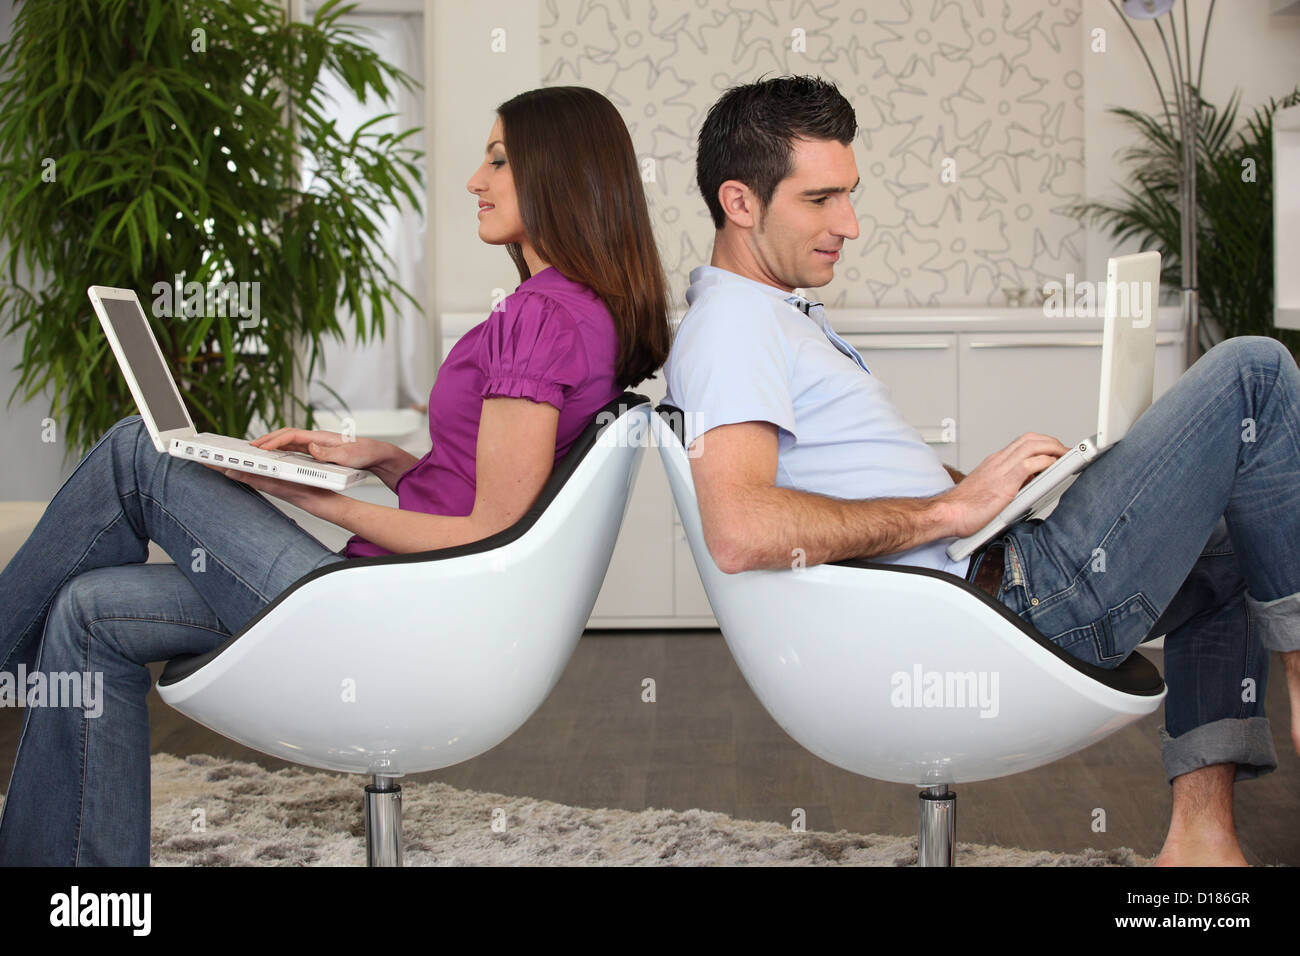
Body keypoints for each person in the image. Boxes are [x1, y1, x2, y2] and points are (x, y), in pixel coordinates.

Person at [0, 85, 671, 866]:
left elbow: (487, 531)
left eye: (498, 160)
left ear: (564, 173)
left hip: (382, 607)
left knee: (137, 451)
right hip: (391, 593)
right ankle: (75, 892)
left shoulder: (540, 316)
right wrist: (383, 461)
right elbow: (491, 495)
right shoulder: (580, 310)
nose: (473, 182)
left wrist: (309, 494)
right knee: (87, 611)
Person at [663, 74, 1300, 867]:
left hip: (1003, 573)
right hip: (1002, 606)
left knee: (1237, 527)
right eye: (821, 200)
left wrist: (991, 489)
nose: (849, 225)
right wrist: (949, 512)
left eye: (850, 195)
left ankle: (1202, 842)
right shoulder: (733, 328)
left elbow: (851, 483)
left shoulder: (770, 316)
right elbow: (742, 528)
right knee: (1256, 372)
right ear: (740, 202)